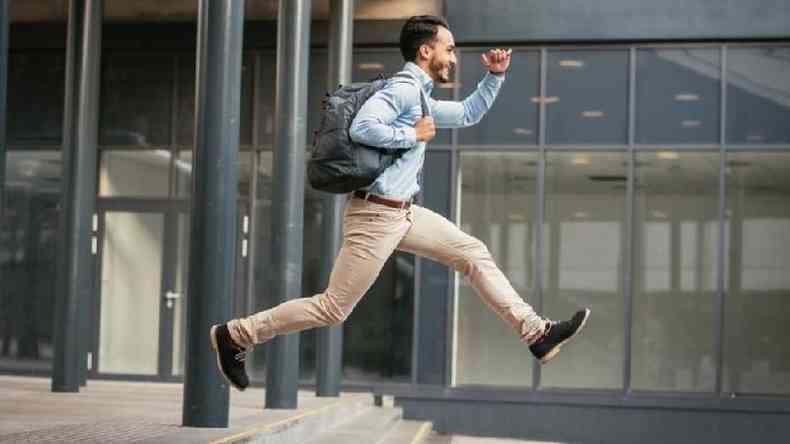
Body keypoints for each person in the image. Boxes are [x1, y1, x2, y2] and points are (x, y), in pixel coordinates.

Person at [210, 15, 590, 391]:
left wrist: (495, 76)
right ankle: (236, 334)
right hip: (375, 217)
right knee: (332, 308)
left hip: (403, 213)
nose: (454, 58)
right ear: (427, 51)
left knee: (473, 253)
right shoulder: (404, 90)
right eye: (449, 49)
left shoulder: (420, 95)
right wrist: (411, 134)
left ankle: (536, 333)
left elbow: (469, 113)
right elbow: (363, 126)